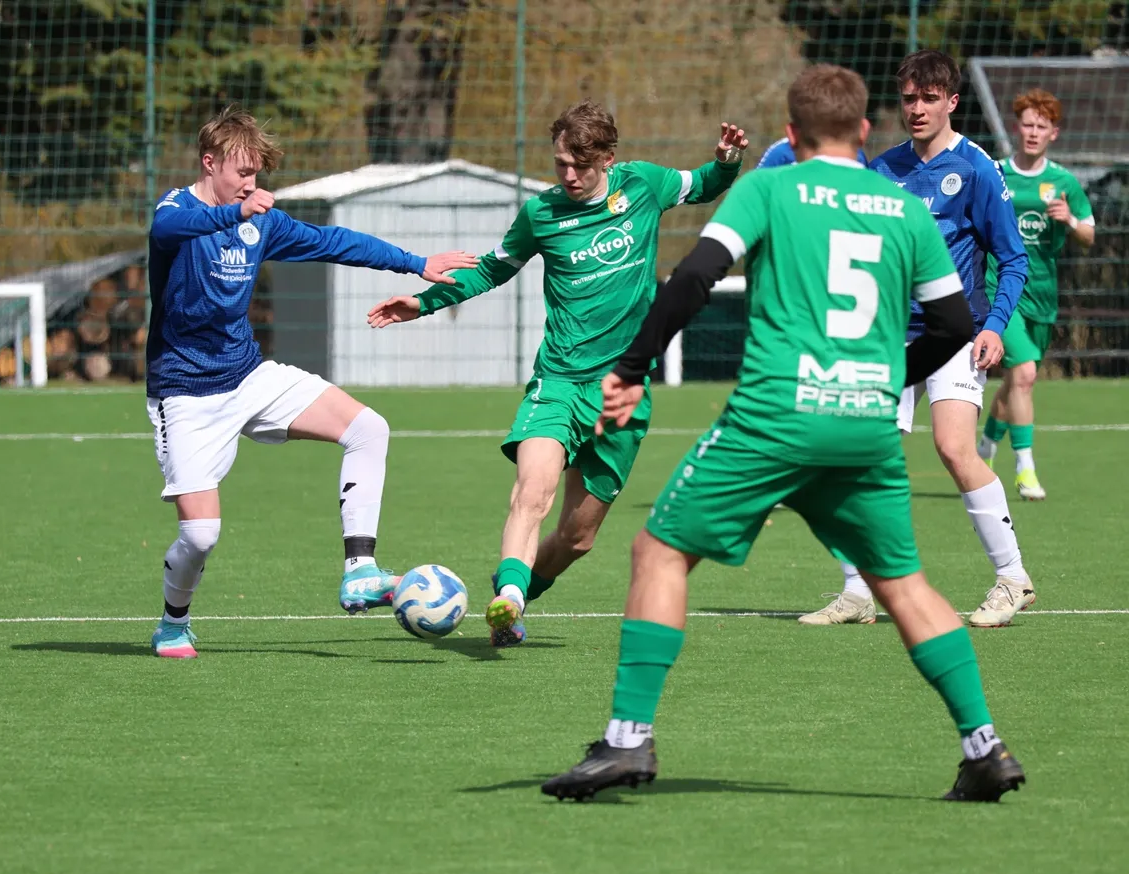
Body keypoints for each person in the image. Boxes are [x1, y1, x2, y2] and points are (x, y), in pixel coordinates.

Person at [541, 64, 1026, 804]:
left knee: (659, 552)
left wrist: (633, 367)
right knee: (905, 584)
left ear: (792, 134)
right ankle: (983, 747)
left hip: (774, 417)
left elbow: (694, 278)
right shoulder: (904, 208)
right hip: (862, 426)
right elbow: (957, 322)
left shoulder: (769, 188)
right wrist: (888, 379)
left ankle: (627, 740)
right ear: (864, 131)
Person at [367, 102, 748, 647]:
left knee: (577, 538)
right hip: (559, 382)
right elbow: (492, 269)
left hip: (622, 391)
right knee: (532, 492)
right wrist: (424, 302)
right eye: (560, 163)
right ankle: (510, 600)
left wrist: (727, 161)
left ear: (607, 159)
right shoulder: (541, 213)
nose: (568, 175)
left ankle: (516, 587)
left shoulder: (644, 184)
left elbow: (705, 184)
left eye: (580, 165)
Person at [144, 107, 477, 658]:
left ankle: (361, 570)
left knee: (369, 428)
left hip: (248, 375)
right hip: (184, 393)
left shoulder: (261, 222)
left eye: (256, 173)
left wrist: (414, 262)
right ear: (209, 163)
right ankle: (173, 623)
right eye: (241, 172)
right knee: (200, 536)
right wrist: (234, 213)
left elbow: (333, 241)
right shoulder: (177, 209)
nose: (250, 183)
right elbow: (166, 231)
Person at [799, 49, 1033, 630]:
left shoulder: (977, 169)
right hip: (887, 337)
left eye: (929, 98)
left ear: (952, 101)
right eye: (909, 98)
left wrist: (995, 326)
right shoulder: (883, 169)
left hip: (955, 333)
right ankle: (858, 591)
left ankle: (1012, 579)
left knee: (954, 448)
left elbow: (1013, 258)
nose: (918, 108)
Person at [978, 89, 1096, 500]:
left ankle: (985, 446)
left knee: (1017, 381)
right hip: (1000, 288)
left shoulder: (1063, 182)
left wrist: (1070, 220)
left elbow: (1089, 234)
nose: (1032, 132)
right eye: (1027, 124)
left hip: (1042, 293)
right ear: (1017, 128)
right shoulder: (994, 173)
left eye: (1040, 127)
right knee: (1026, 374)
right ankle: (1025, 469)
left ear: (1053, 133)